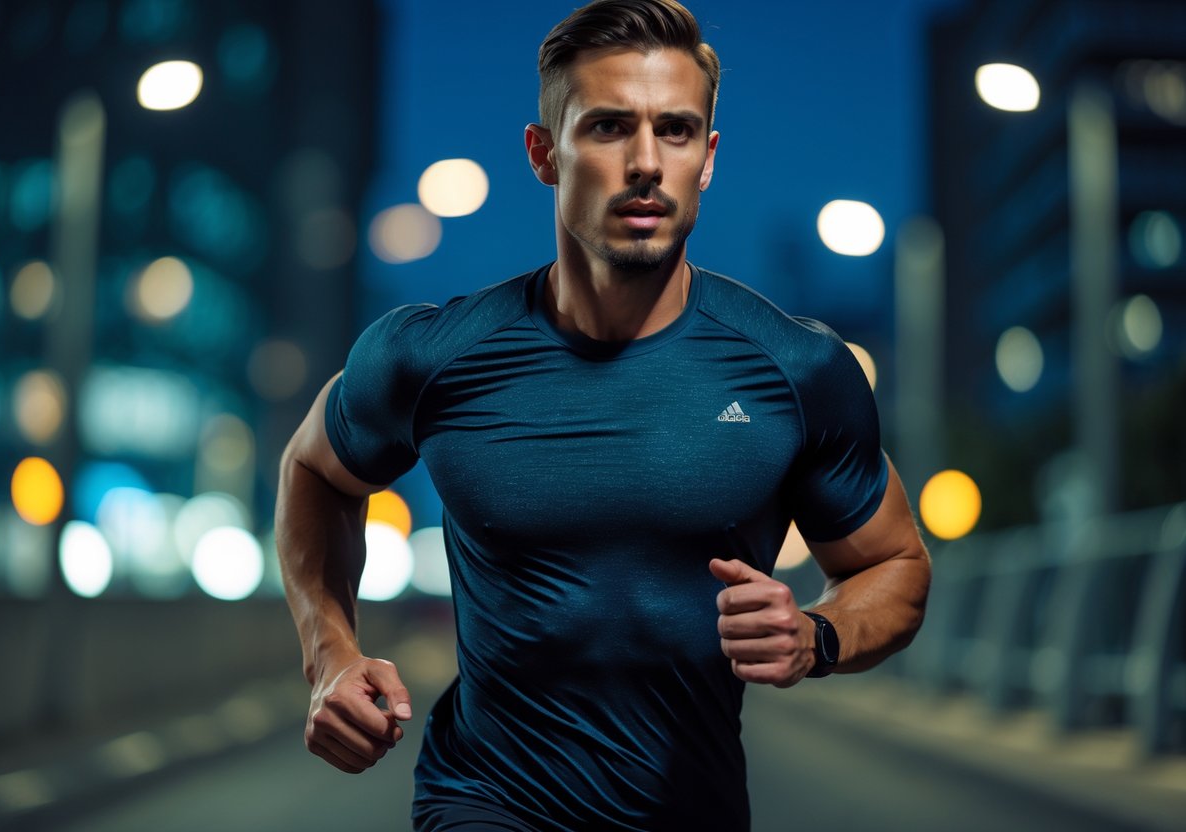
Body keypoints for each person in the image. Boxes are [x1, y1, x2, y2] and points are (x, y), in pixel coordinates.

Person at [276, 0, 931, 829]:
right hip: (482, 801)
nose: (647, 163)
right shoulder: (431, 354)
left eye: (677, 130)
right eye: (609, 128)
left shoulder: (795, 369)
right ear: (544, 154)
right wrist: (328, 654)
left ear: (710, 158)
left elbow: (895, 566)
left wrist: (817, 635)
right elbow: (313, 470)